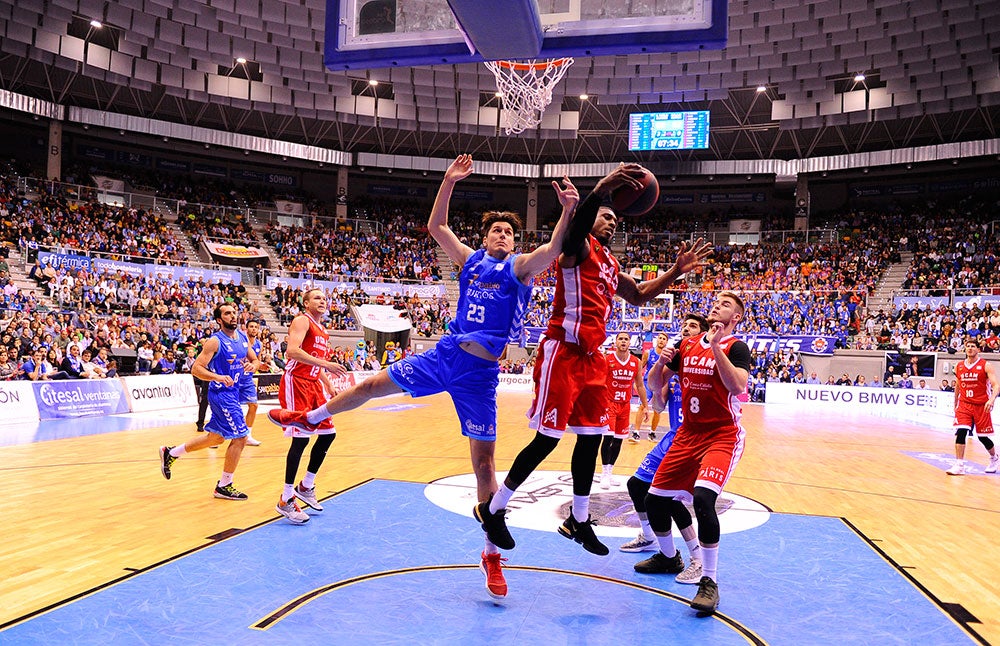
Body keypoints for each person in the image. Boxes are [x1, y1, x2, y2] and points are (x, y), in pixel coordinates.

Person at [267, 154, 580, 600]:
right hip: (446, 354)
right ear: (486, 236)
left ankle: (491, 553)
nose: (503, 234)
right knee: (373, 385)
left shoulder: (519, 267)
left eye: (509, 231)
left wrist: (568, 211)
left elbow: (553, 250)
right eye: (496, 229)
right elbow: (437, 228)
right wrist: (449, 181)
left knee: (484, 464)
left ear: (514, 242)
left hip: (481, 374)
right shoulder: (470, 261)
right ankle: (310, 416)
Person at [480, 164, 712, 561]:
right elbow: (576, 227)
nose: (612, 221)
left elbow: (638, 295)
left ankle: (579, 519)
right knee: (547, 439)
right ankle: (494, 508)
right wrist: (602, 188)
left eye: (616, 219)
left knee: (591, 436)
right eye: (607, 214)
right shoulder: (577, 246)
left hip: (592, 359)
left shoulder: (609, 262)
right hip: (562, 351)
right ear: (593, 217)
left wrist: (675, 271)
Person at [633, 292, 751, 615]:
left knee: (702, 499)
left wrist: (714, 346)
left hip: (722, 436)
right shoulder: (686, 346)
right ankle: (669, 557)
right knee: (654, 500)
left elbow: (738, 386)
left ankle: (709, 581)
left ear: (736, 318)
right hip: (687, 435)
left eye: (726, 305)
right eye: (716, 302)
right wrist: (660, 361)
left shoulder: (735, 347)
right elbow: (657, 386)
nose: (717, 306)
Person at [619, 313, 709, 578]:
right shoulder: (673, 366)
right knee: (637, 485)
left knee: (665, 499)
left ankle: (696, 557)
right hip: (671, 437)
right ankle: (650, 538)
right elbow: (659, 404)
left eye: (692, 326)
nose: (686, 329)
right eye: (684, 326)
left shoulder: (704, 365)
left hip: (692, 440)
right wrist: (658, 393)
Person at [158, 303, 259, 500]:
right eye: (227, 313)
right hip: (222, 395)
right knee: (241, 437)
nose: (232, 315)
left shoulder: (242, 339)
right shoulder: (215, 341)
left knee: (216, 438)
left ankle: (171, 453)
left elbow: (255, 360)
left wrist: (252, 365)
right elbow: (196, 369)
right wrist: (217, 377)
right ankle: (224, 485)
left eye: (234, 312)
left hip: (234, 393)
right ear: (219, 320)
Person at [269, 288, 346, 525]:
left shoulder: (323, 329)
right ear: (305, 303)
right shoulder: (303, 320)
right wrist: (327, 364)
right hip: (296, 382)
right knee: (301, 439)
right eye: (316, 298)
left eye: (324, 298)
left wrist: (327, 383)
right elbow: (292, 352)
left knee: (328, 434)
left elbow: (316, 365)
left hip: (313, 385)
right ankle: (285, 499)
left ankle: (306, 486)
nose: (322, 301)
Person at [599, 331, 646, 489]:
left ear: (629, 343)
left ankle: (610, 471)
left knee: (618, 440)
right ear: (616, 342)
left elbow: (639, 385)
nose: (624, 341)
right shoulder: (607, 359)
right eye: (621, 339)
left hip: (625, 406)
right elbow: (599, 382)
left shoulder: (636, 362)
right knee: (608, 438)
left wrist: (645, 406)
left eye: (626, 339)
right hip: (609, 404)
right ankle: (604, 473)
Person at [946, 338, 1000, 475]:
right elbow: (958, 385)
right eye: (967, 346)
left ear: (978, 349)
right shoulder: (959, 366)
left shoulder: (985, 365)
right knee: (961, 431)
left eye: (973, 346)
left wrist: (992, 399)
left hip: (982, 405)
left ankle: (994, 458)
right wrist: (955, 403)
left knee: (982, 437)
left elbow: (996, 385)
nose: (970, 348)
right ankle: (959, 465)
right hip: (964, 404)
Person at [632, 332, 669, 442]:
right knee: (642, 406)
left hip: (660, 384)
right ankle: (636, 432)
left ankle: (652, 433)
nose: (661, 340)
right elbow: (640, 367)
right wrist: (635, 381)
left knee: (657, 410)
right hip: (647, 383)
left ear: (666, 342)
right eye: (660, 338)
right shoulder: (648, 353)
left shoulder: (668, 356)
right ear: (657, 340)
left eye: (664, 339)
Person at [239, 319, 264, 447]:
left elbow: (257, 362)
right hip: (235, 379)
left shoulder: (259, 344)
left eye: (256, 327)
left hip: (248, 380)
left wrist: (261, 366)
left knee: (253, 406)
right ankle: (217, 435)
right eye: (251, 326)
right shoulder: (240, 340)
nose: (254, 329)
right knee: (229, 407)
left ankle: (248, 435)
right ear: (246, 328)